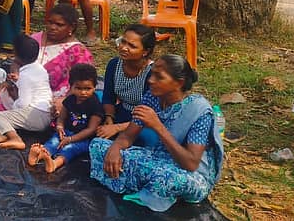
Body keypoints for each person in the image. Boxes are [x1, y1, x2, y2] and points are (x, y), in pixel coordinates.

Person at [90, 55, 224, 212]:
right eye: (152, 74)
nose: (151, 80)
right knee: (98, 146)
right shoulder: (152, 97)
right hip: (158, 159)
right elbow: (127, 136)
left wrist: (157, 126)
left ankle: (142, 186)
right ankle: (146, 187)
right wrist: (115, 149)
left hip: (190, 174)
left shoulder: (199, 112)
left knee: (166, 178)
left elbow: (191, 163)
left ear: (178, 83)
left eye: (159, 77)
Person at [29, 63, 102, 173]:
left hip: (84, 138)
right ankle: (39, 156)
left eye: (88, 88)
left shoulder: (94, 104)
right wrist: (59, 127)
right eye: (78, 88)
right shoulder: (70, 99)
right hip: (67, 132)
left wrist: (71, 139)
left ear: (94, 87)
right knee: (53, 142)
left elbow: (91, 129)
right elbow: (62, 117)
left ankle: (54, 164)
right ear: (71, 86)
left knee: (70, 149)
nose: (83, 92)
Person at [0, 34, 52, 150]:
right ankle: (4, 136)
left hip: (36, 115)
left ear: (17, 56)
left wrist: (14, 96)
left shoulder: (25, 75)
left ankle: (15, 138)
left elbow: (23, 104)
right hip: (46, 114)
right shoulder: (40, 69)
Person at [98, 24, 156, 140]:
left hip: (144, 122)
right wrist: (109, 117)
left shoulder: (152, 73)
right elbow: (108, 96)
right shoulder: (114, 64)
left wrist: (117, 128)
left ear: (145, 51)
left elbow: (148, 113)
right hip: (121, 111)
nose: (124, 48)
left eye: (132, 46)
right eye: (123, 42)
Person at [31, 3, 95, 103]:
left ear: (71, 27)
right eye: (50, 22)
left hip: (54, 101)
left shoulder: (79, 53)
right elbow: (18, 61)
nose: (52, 27)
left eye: (59, 25)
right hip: (24, 90)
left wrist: (63, 101)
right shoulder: (35, 39)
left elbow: (81, 86)